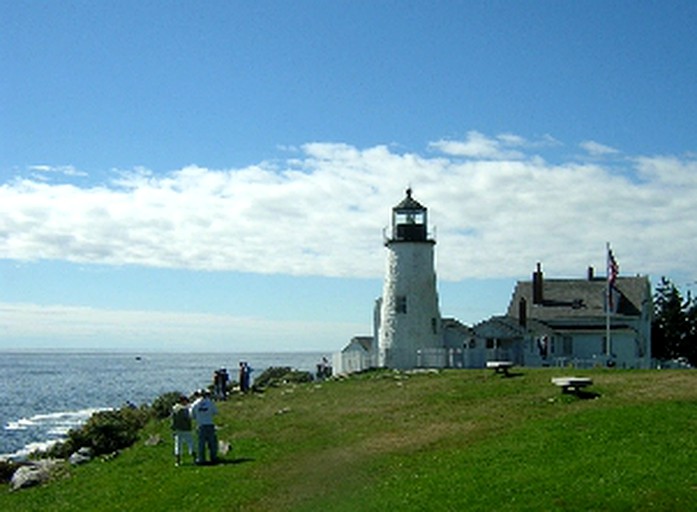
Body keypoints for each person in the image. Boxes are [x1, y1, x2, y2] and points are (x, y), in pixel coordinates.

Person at [190, 389, 218, 464]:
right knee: (212, 443)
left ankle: (201, 459)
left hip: (200, 425)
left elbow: (191, 415)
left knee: (201, 444)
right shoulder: (210, 402)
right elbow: (215, 412)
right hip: (210, 424)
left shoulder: (195, 404)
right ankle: (213, 458)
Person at [171, 395, 195, 466]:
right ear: (183, 401)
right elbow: (188, 418)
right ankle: (195, 459)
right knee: (191, 444)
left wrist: (173, 428)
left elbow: (173, 419)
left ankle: (177, 461)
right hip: (186, 429)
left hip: (177, 429)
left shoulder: (175, 408)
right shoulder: (186, 409)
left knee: (178, 445)